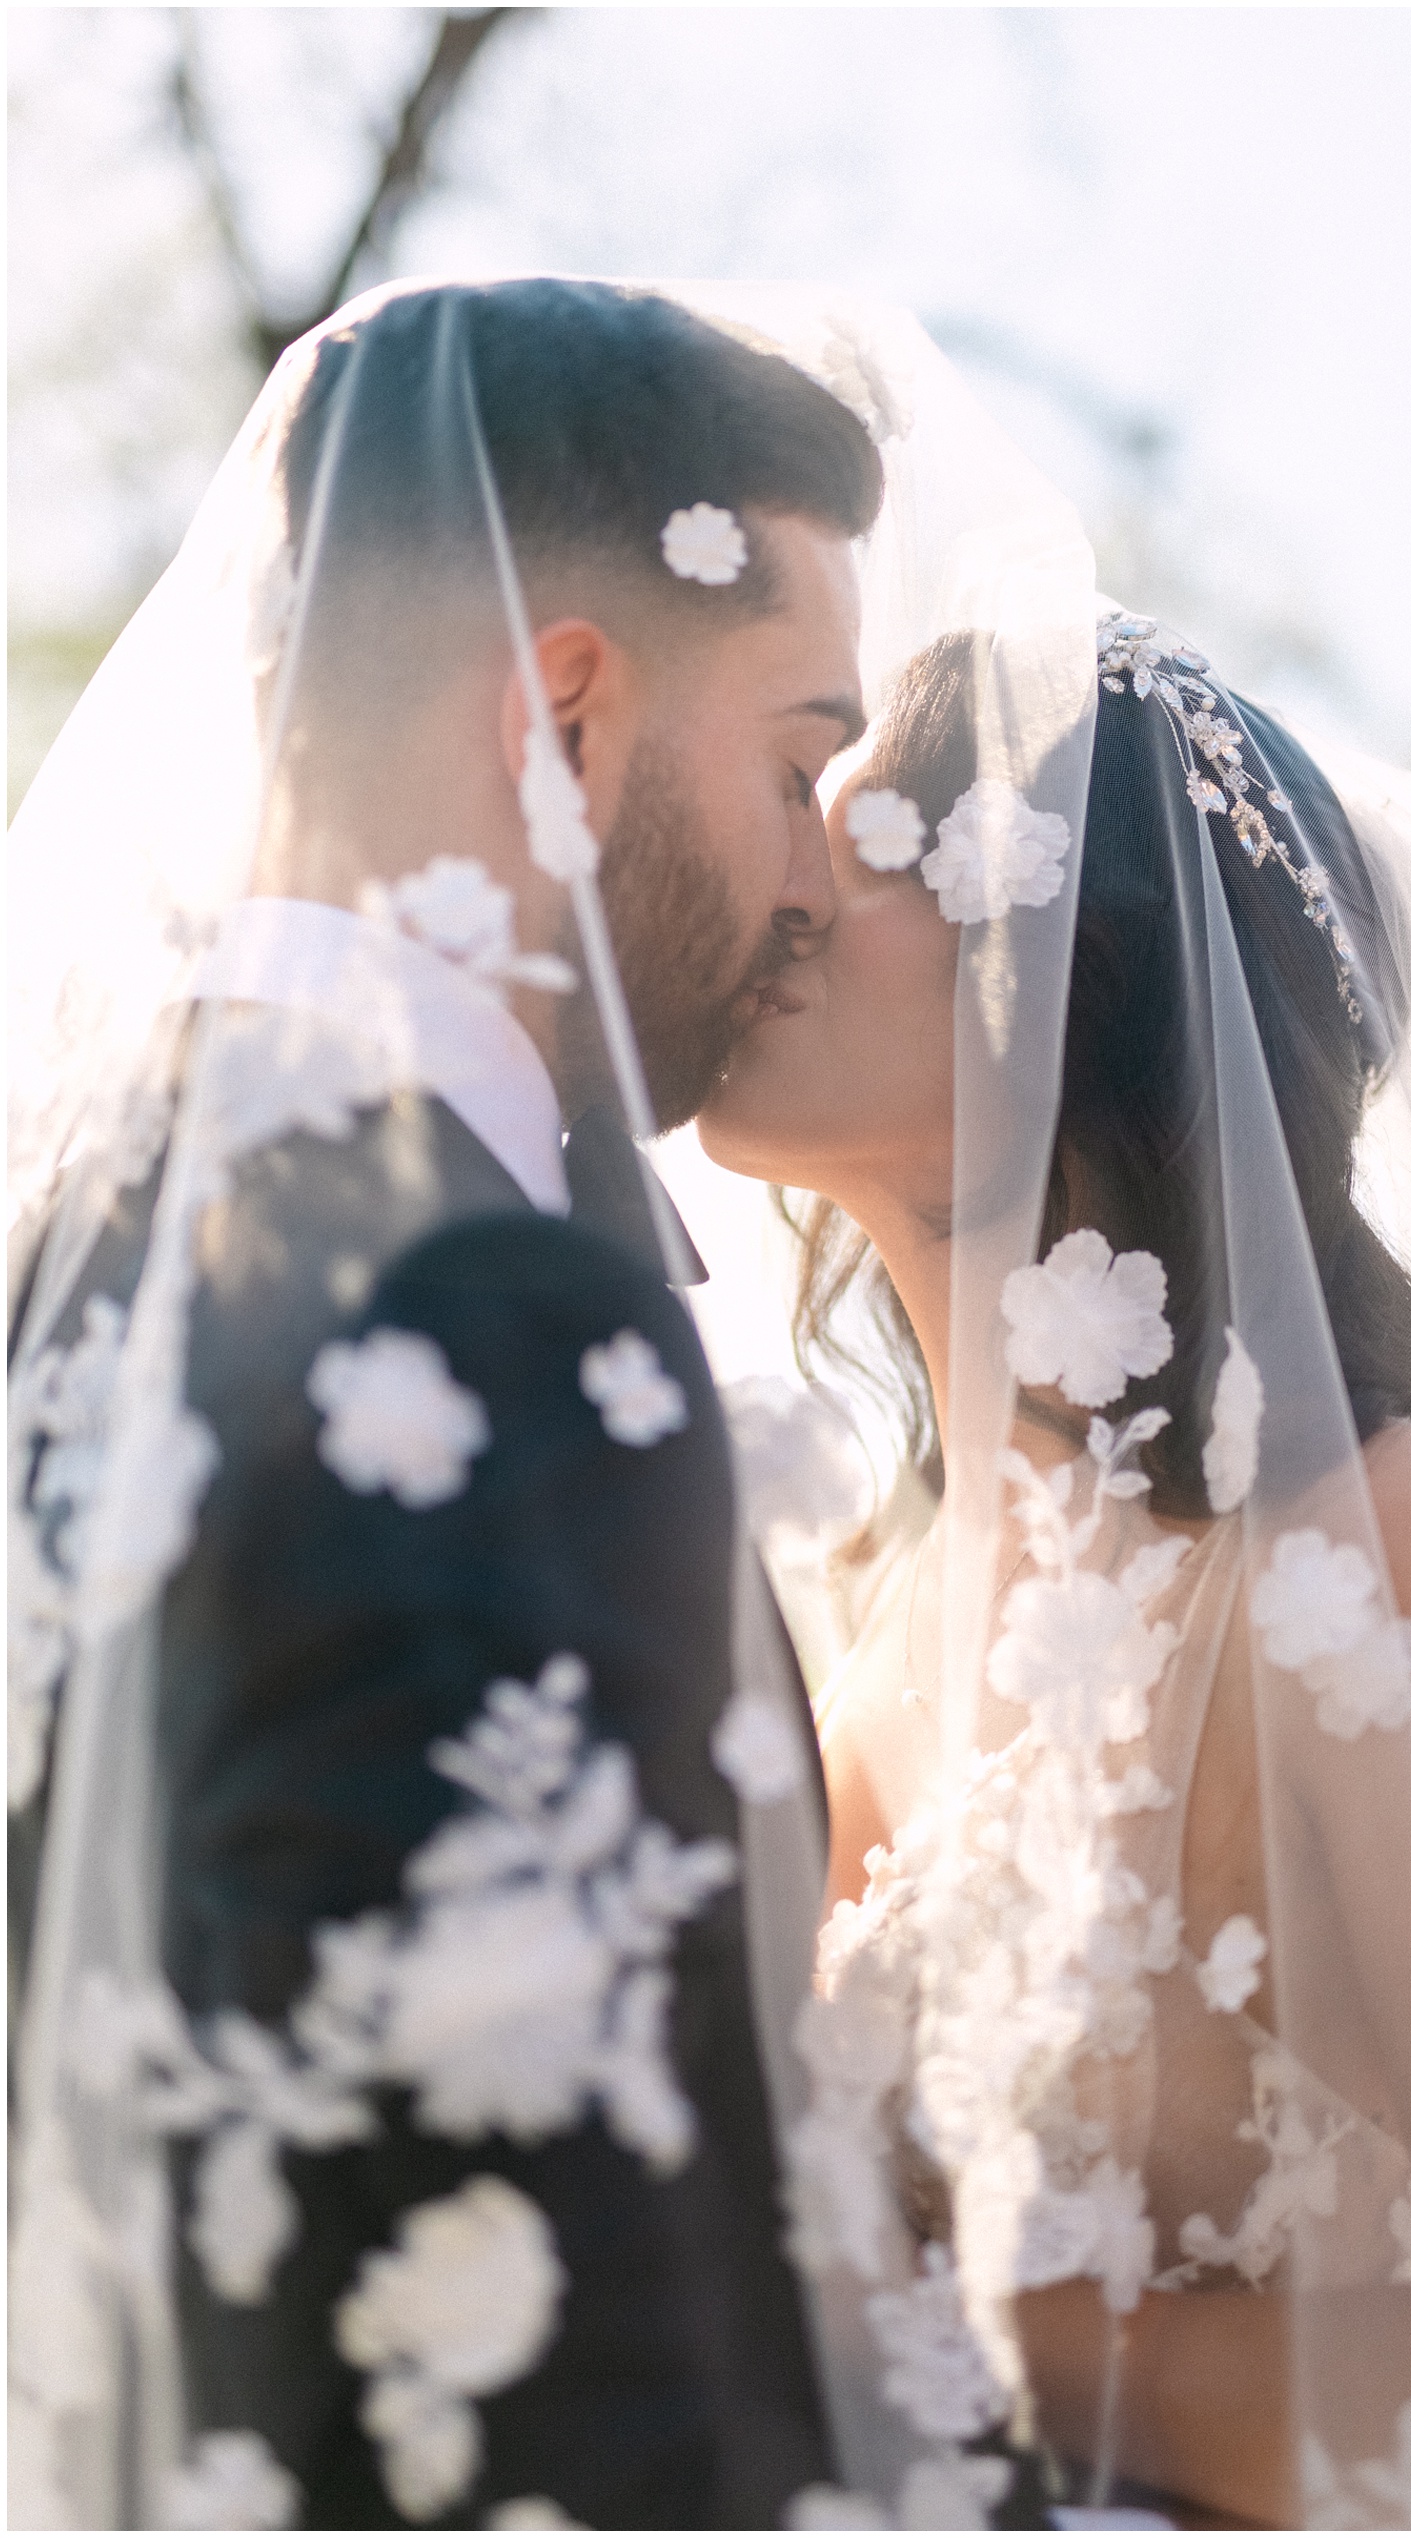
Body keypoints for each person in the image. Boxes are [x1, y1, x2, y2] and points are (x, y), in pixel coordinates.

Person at [7, 276, 882, 2531]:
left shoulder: (77, 1228)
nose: (820, 867)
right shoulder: (486, 1323)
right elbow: (557, 2357)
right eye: (799, 762)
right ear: (565, 721)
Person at [698, 607, 1411, 2525]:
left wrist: (929, 2338)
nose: (787, 892)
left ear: (1085, 969)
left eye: (884, 837)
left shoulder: (1369, 1542)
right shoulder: (856, 1601)